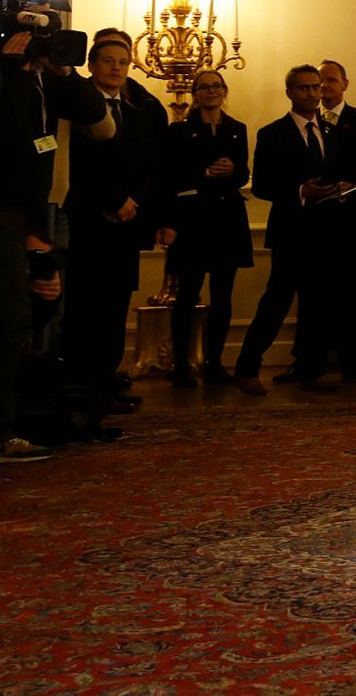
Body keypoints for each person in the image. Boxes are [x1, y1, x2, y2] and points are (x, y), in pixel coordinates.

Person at [63, 30, 175, 423]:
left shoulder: (138, 112)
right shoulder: (76, 106)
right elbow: (80, 165)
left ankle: (107, 383)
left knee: (113, 309)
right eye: (108, 61)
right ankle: (82, 389)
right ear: (92, 65)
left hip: (126, 225)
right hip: (89, 222)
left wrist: (135, 203)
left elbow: (151, 165)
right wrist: (113, 201)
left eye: (123, 63)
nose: (116, 68)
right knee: (84, 309)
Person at [234, 65, 351, 393]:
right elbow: (263, 186)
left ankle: (311, 369)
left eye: (316, 87)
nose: (313, 94)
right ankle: (247, 368)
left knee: (318, 303)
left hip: (326, 230)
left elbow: (333, 172)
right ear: (290, 92)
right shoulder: (272, 134)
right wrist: (301, 191)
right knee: (276, 301)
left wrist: (338, 188)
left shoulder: (330, 131)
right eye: (304, 89)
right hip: (291, 232)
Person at [163, 69, 252, 387]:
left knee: (223, 295)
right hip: (192, 220)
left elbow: (243, 172)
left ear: (224, 90)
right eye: (204, 87)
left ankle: (214, 362)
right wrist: (204, 173)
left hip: (227, 217)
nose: (211, 91)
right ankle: (181, 367)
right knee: (187, 293)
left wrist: (234, 169)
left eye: (217, 86)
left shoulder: (237, 129)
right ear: (194, 93)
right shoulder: (180, 131)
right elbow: (171, 175)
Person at [310, 60, 356, 382]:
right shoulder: (305, 122)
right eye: (320, 81)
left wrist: (346, 186)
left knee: (354, 294)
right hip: (316, 222)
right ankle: (311, 362)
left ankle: (353, 361)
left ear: (345, 84)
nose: (325, 86)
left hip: (354, 222)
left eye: (331, 80)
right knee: (315, 295)